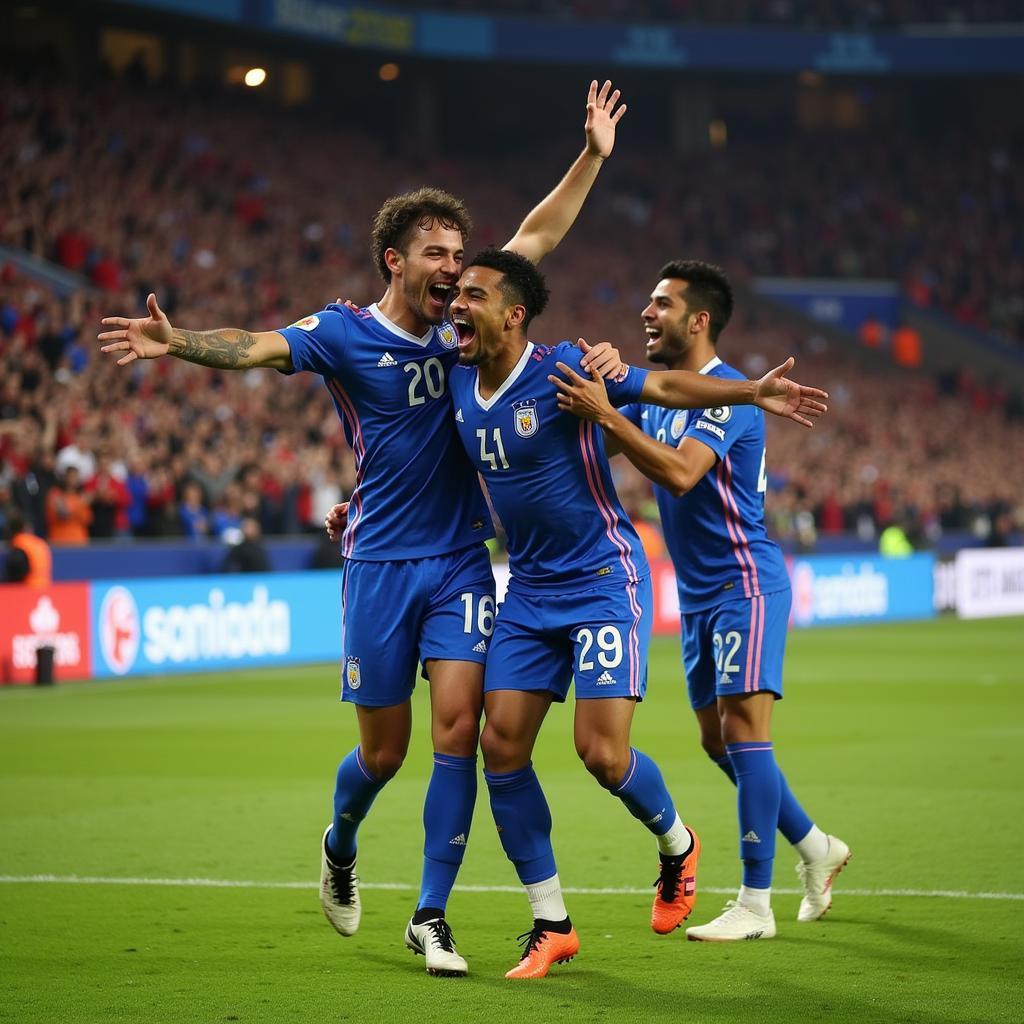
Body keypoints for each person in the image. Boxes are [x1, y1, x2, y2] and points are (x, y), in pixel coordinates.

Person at [99, 80, 629, 978]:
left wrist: (591, 157)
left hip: (461, 562)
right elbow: (263, 344)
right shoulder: (346, 335)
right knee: (382, 754)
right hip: (379, 564)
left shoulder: (470, 332)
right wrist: (178, 340)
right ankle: (340, 840)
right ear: (394, 259)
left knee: (457, 731)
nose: (455, 270)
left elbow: (537, 238)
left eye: (461, 256)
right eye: (436, 253)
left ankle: (430, 914)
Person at [441, 248, 827, 977]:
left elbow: (674, 389)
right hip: (526, 590)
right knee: (501, 748)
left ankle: (679, 844)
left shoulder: (565, 371)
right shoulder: (455, 379)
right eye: (455, 293)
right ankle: (550, 921)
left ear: (513, 313)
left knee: (603, 753)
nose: (457, 304)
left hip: (601, 581)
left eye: (474, 293)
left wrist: (747, 393)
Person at [551, 259, 849, 942]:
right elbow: (590, 438)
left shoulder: (723, 396)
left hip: (745, 583)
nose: (646, 315)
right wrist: (596, 389)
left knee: (747, 736)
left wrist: (608, 414)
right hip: (698, 596)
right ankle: (815, 848)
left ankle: (754, 902)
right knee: (718, 741)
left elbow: (682, 473)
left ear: (699, 319)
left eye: (662, 304)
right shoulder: (664, 392)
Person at [45, 466, 92, 545]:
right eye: (70, 476)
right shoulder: (55, 494)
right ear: (65, 477)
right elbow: (56, 515)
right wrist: (78, 506)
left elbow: (87, 519)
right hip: (58, 540)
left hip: (78, 540)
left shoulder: (82, 497)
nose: (72, 479)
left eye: (75, 477)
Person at [5, 512, 52, 587]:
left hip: (27, 590)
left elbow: (15, 576)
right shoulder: (41, 543)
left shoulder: (20, 546)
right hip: (44, 588)